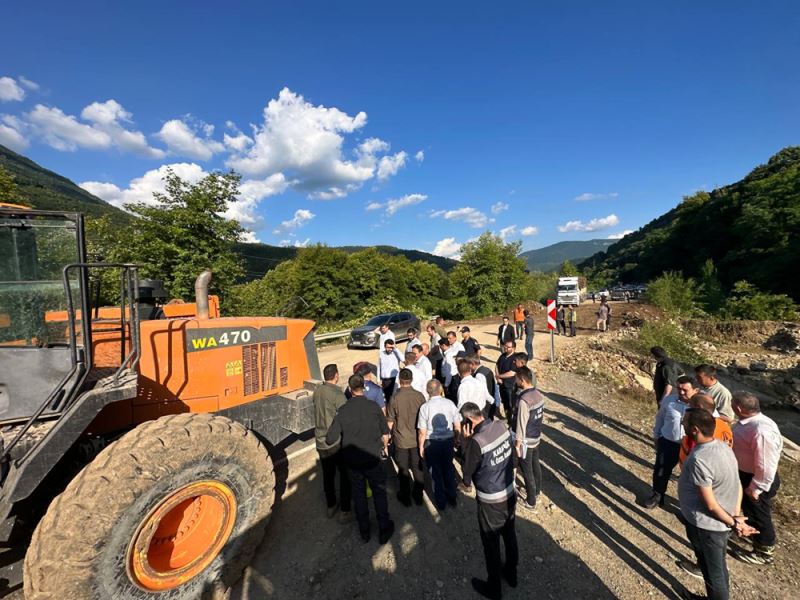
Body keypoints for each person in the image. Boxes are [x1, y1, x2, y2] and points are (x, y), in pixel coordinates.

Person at [677, 408, 756, 600]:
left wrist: (735, 523)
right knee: (715, 567)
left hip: (706, 526)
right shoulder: (723, 447)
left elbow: (710, 505)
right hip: (719, 523)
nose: (682, 426)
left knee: (714, 573)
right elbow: (737, 484)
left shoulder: (699, 459)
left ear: (694, 429)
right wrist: (736, 516)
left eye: (684, 423)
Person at [325, 374, 394, 544]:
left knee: (359, 494)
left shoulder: (343, 410)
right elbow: (386, 432)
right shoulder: (373, 407)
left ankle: (364, 531)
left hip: (353, 462)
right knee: (379, 493)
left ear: (349, 389)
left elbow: (330, 438)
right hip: (372, 458)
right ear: (363, 387)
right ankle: (384, 529)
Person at [460, 402, 518, 600]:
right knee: (509, 534)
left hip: (490, 501)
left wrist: (465, 443)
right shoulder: (501, 426)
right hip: (510, 492)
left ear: (468, 421)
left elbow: (467, 476)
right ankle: (511, 573)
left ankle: (494, 588)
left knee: (491, 544)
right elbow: (514, 455)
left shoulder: (477, 442)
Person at [730, 391, 783, 565]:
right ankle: (748, 534)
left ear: (738, 407)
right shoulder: (751, 423)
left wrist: (756, 487)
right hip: (747, 475)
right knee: (749, 510)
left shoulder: (761, 430)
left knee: (759, 514)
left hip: (756, 479)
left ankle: (764, 551)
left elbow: (766, 464)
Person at [644, 375, 697, 509]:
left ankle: (689, 506)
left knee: (691, 477)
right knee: (661, 470)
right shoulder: (669, 401)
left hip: (692, 448)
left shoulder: (701, 404)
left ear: (695, 390)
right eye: (679, 388)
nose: (681, 392)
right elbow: (660, 418)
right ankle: (657, 495)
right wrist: (657, 436)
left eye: (685, 390)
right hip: (669, 442)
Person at [313, 364, 351, 520]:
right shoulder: (338, 395)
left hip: (320, 441)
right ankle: (345, 510)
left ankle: (330, 505)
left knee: (328, 476)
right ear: (336, 375)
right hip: (335, 441)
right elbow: (346, 417)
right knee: (344, 475)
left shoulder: (317, 391)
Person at [417, 379, 461, 511]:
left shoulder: (425, 407)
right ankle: (452, 497)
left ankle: (441, 502)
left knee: (435, 472)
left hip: (432, 443)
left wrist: (421, 446)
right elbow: (457, 424)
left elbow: (422, 431)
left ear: (427, 391)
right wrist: (456, 439)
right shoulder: (450, 403)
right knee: (448, 469)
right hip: (448, 441)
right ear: (441, 389)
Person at [387, 368, 426, 507]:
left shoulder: (395, 398)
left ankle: (405, 497)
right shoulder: (420, 396)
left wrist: (386, 440)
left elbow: (390, 421)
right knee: (418, 468)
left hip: (401, 440)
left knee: (403, 469)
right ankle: (418, 495)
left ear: (399, 380)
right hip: (416, 439)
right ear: (412, 380)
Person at [514, 367, 543, 510]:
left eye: (517, 379)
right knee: (535, 465)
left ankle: (531, 501)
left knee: (527, 470)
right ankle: (537, 490)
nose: (515, 381)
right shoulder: (538, 394)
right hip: (536, 437)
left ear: (523, 380)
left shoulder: (524, 400)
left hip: (526, 440)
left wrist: (518, 444)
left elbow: (521, 423)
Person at [679, 394, 734, 466]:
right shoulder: (724, 426)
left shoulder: (697, 428)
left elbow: (692, 453)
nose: (688, 408)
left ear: (698, 407)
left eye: (690, 406)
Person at [495, 340, 518, 418]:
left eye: (508, 347)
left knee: (511, 404)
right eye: (505, 346)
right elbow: (497, 365)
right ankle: (508, 419)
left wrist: (499, 376)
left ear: (514, 348)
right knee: (505, 403)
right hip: (501, 384)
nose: (506, 348)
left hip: (510, 385)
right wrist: (497, 376)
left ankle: (512, 421)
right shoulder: (503, 355)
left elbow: (511, 373)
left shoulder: (515, 358)